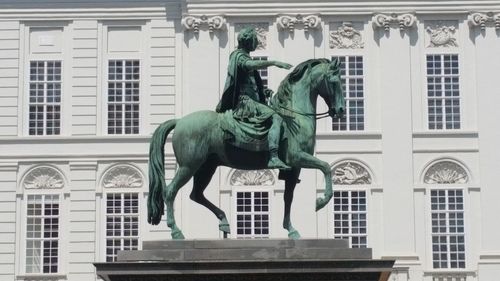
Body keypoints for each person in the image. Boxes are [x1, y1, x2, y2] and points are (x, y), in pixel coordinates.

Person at [216, 27, 292, 170]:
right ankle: (274, 157)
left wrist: (263, 92)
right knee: (277, 118)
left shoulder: (243, 56)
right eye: (254, 40)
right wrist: (273, 62)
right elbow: (248, 65)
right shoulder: (238, 56)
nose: (256, 43)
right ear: (248, 41)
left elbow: (251, 84)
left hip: (253, 101)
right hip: (245, 103)